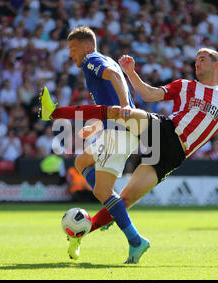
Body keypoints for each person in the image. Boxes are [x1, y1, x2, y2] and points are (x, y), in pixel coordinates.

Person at [39, 48, 218, 260]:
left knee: (123, 200)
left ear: (217, 64)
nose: (198, 62)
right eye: (196, 59)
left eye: (203, 59)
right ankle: (56, 113)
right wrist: (131, 73)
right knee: (120, 112)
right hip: (165, 131)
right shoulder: (185, 85)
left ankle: (110, 237)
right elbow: (149, 95)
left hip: (174, 156)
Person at [42, 25, 148, 264]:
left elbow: (115, 73)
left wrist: (124, 106)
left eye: (73, 48)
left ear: (87, 46)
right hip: (114, 130)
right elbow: (108, 101)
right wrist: (97, 126)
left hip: (121, 130)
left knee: (102, 191)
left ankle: (135, 240)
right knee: (81, 161)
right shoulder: (93, 64)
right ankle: (114, 206)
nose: (71, 54)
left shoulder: (92, 59)